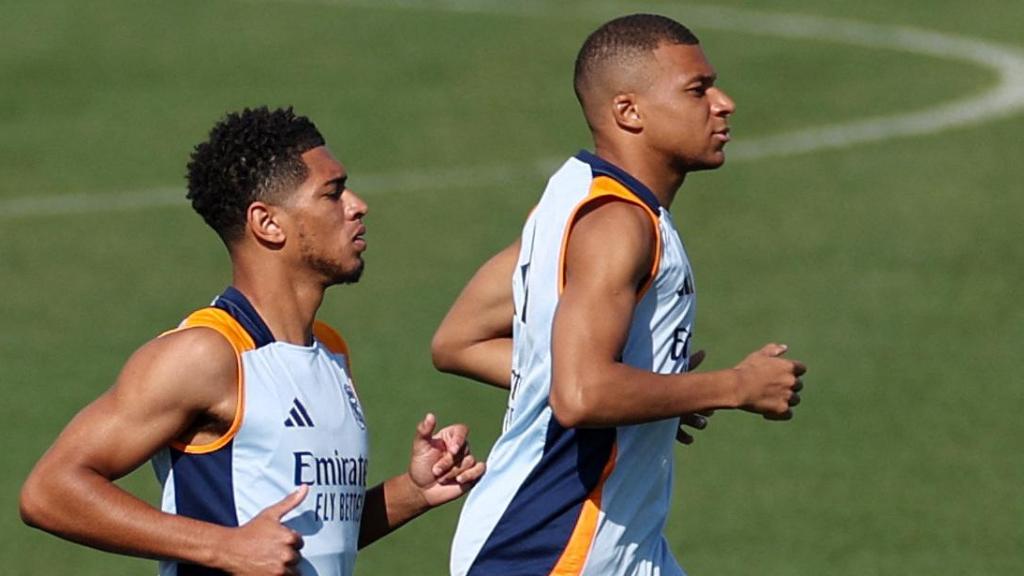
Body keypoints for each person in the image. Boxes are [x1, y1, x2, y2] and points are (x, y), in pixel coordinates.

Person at [19, 106, 485, 576]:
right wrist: (222, 546)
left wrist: (413, 492)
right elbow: (49, 491)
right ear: (267, 224)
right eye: (333, 193)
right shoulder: (206, 355)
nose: (357, 205)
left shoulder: (331, 353)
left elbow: (305, 541)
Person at [432, 14, 806, 576]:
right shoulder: (617, 225)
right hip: (550, 549)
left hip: (616, 545)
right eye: (698, 90)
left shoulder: (569, 202)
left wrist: (652, 393)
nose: (724, 103)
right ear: (629, 111)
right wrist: (733, 386)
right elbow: (580, 394)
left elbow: (460, 341)